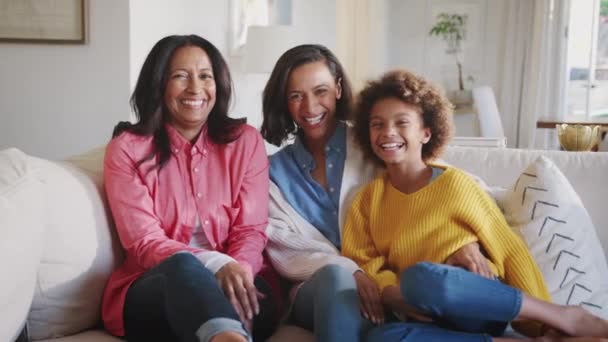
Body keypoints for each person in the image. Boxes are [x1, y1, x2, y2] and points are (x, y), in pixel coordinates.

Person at [342, 68, 608, 341]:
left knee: (420, 278)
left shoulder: (455, 184)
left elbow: (509, 251)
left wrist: (543, 324)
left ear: (425, 132)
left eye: (401, 123)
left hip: (476, 301)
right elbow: (364, 264)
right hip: (424, 312)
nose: (388, 132)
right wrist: (393, 294)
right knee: (381, 338)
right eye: (377, 124)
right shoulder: (366, 201)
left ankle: (566, 317)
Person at [260, 44, 492, 341]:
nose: (310, 107)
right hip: (319, 289)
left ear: (339, 89)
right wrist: (351, 271)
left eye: (321, 91)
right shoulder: (272, 173)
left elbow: (445, 183)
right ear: (284, 101)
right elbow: (286, 249)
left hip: (388, 278)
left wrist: (465, 241)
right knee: (335, 278)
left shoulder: (375, 139)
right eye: (296, 96)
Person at [102, 34, 280, 342]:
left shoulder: (245, 142)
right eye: (180, 76)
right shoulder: (126, 150)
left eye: (205, 76)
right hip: (157, 288)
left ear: (218, 84)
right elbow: (145, 242)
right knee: (184, 265)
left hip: (239, 279)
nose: (195, 88)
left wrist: (238, 271)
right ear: (158, 84)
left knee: (245, 296)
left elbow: (250, 231)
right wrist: (216, 262)